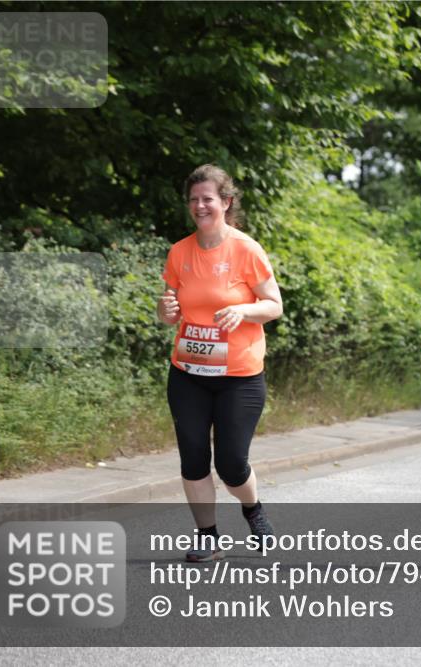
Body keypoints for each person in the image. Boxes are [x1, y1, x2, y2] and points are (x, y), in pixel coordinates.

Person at [157, 164, 283, 562]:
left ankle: (253, 510)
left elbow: (274, 306)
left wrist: (244, 311)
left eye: (207, 198)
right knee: (193, 457)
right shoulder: (180, 252)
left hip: (239, 377)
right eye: (193, 199)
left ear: (226, 203)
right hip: (188, 374)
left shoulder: (246, 249)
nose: (200, 206)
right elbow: (171, 311)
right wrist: (165, 310)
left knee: (230, 463)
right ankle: (207, 535)